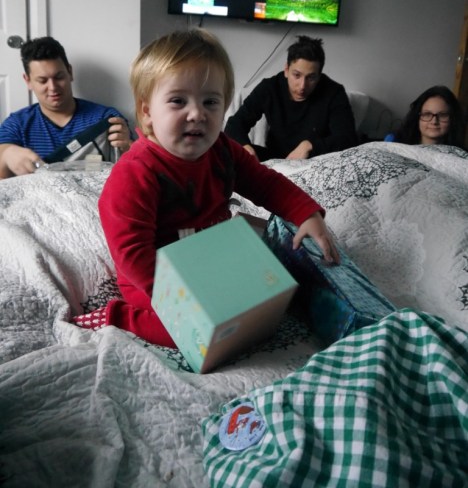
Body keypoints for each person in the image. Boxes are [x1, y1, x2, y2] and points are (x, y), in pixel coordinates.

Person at [72, 28, 340, 345]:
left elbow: (266, 183)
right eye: (178, 101)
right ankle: (118, 317)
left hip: (211, 257)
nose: (197, 114)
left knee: (271, 299)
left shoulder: (223, 150)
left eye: (211, 102)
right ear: (147, 112)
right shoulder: (135, 173)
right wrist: (183, 299)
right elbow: (132, 254)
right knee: (189, 334)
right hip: (157, 277)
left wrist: (307, 213)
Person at [0, 36, 132, 178]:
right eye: (42, 81)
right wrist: (7, 154)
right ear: (28, 81)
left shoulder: (106, 118)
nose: (53, 87)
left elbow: (135, 167)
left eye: (59, 77)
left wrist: (129, 147)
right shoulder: (17, 125)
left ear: (70, 72)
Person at [224, 35, 358, 160]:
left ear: (319, 76)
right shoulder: (269, 88)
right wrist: (246, 149)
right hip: (276, 158)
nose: (302, 86)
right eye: (297, 75)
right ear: (286, 70)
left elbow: (347, 138)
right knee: (228, 151)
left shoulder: (334, 93)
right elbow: (234, 125)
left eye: (311, 78)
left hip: (315, 160)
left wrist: (309, 146)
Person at [384, 85, 465, 148]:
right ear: (417, 117)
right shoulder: (393, 141)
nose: (434, 121)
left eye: (442, 115)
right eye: (427, 114)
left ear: (453, 118)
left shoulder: (460, 155)